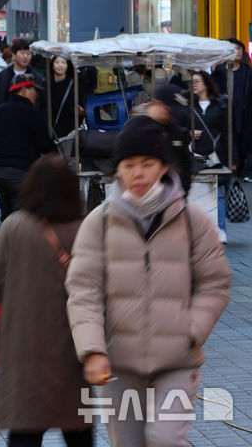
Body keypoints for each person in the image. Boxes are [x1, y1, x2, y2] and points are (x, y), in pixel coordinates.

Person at [66, 115, 231, 447]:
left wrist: (191, 331)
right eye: (128, 164)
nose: (137, 173)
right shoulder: (98, 222)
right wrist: (92, 349)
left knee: (165, 440)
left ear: (162, 166)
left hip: (176, 361)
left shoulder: (191, 220)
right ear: (118, 169)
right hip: (118, 363)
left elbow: (215, 282)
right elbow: (83, 289)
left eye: (146, 163)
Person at [0, 154, 92, 447]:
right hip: (75, 348)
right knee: (78, 430)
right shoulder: (86, 229)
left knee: (25, 432)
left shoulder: (14, 227)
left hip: (24, 350)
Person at [0, 74, 56, 220]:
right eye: (34, 90)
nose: (36, 95)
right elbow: (46, 146)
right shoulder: (32, 114)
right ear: (23, 90)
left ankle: (6, 241)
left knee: (6, 215)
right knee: (24, 217)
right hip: (21, 174)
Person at [192, 71, 232, 243]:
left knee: (218, 192)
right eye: (192, 82)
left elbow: (227, 132)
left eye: (197, 82)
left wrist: (233, 159)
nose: (193, 85)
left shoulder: (219, 105)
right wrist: (189, 133)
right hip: (195, 153)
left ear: (206, 84)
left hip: (215, 154)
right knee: (194, 190)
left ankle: (220, 229)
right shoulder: (188, 105)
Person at [133, 84, 193, 193]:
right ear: (157, 104)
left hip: (173, 199)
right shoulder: (136, 128)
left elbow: (185, 165)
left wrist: (182, 194)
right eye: (169, 111)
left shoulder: (177, 132)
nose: (173, 116)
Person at [212, 38, 252, 178]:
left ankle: (242, 171)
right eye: (233, 49)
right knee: (228, 140)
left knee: (245, 141)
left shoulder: (247, 72)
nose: (237, 52)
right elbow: (214, 93)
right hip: (226, 114)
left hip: (244, 114)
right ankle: (230, 170)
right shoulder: (219, 72)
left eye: (239, 48)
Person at [0, 38, 45, 113]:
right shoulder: (1, 77)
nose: (25, 56)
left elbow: (42, 105)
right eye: (22, 53)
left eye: (28, 53)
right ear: (14, 55)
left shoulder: (37, 78)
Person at [50, 56, 79, 138]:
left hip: (69, 128)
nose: (60, 65)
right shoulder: (46, 84)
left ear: (67, 66)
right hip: (50, 128)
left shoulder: (74, 85)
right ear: (52, 65)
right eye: (57, 62)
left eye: (63, 62)